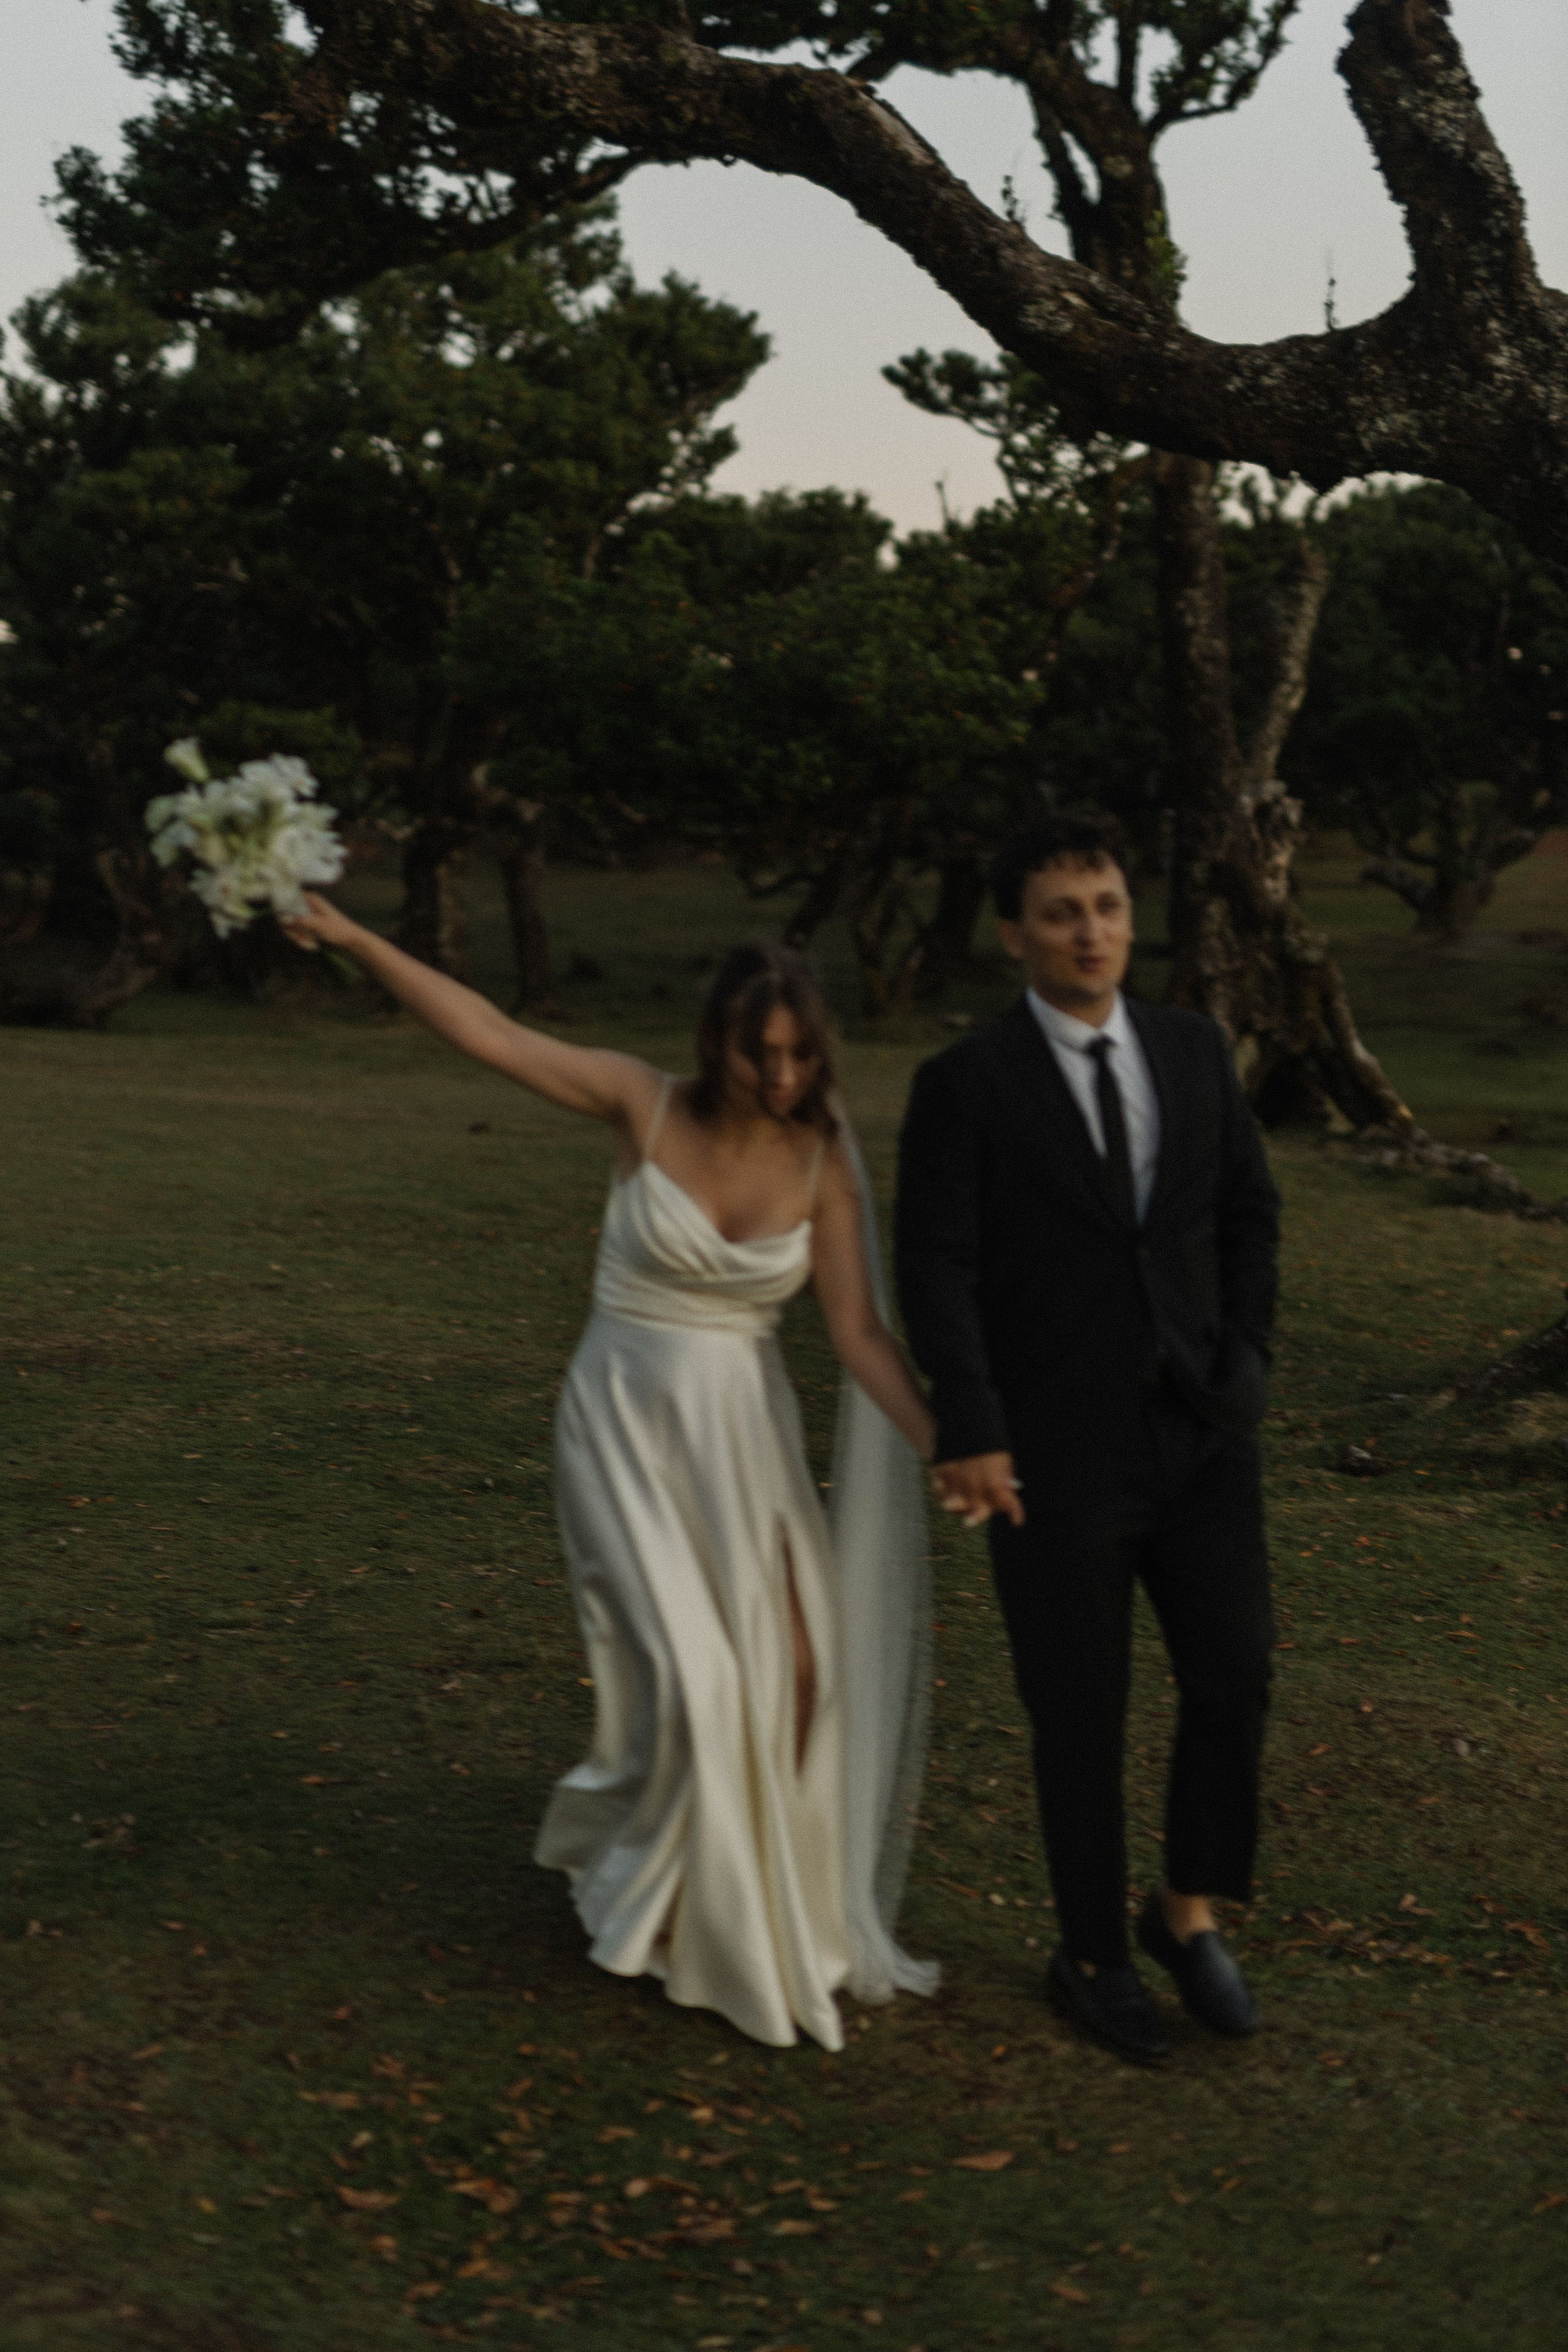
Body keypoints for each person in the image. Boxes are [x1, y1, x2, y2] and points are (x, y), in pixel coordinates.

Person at [282, 899, 938, 2051]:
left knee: (796, 1671)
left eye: (799, 1053)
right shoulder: (642, 1102)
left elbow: (861, 1338)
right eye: (757, 1051)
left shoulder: (823, 1160)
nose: (780, 1074)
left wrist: (949, 1444)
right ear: (714, 1044)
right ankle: (689, 1908)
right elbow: (487, 1031)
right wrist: (352, 941)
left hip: (745, 1437)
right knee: (698, 1675)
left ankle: (735, 1897)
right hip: (623, 1423)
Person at [894, 810, 1280, 2065]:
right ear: (1014, 933)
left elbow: (1244, 1216)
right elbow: (937, 1270)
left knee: (1232, 1674)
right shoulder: (963, 1085)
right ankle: (1090, 1958)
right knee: (1080, 1712)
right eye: (1061, 913)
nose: (1090, 933)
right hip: (1051, 1458)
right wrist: (974, 1426)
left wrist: (1243, 1364)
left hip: (1199, 1436)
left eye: (1106, 906)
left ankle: (1180, 1914)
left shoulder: (1189, 1049)